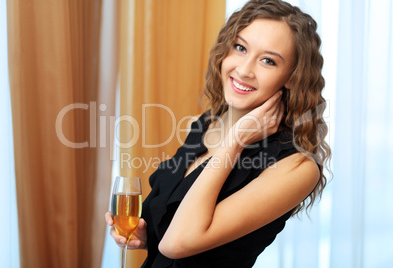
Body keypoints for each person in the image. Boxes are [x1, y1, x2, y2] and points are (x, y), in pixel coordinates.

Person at [105, 0, 331, 267]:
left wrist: (234, 142)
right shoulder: (207, 124)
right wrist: (147, 234)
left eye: (268, 61)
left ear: (292, 77)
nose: (245, 70)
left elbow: (177, 243)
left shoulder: (298, 166)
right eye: (240, 47)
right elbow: (172, 229)